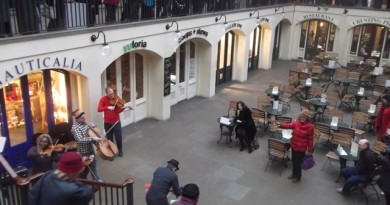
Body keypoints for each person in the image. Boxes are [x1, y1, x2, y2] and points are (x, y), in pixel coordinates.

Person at [28, 152, 94, 205]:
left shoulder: (46, 176)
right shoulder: (76, 191)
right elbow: (87, 193)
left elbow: (32, 196)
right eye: (79, 170)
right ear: (73, 172)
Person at [278, 109, 314, 183]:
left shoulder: (310, 127)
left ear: (307, 118)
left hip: (301, 149)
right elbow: (289, 125)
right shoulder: (297, 123)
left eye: (303, 117)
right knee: (293, 161)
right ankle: (293, 173)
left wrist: (310, 150)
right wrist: (280, 125)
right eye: (301, 116)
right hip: (294, 145)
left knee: (298, 163)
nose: (301, 118)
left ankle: (298, 176)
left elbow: (310, 139)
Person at [97, 87, 132, 157]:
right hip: (107, 123)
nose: (112, 95)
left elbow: (117, 111)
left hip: (116, 122)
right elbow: (99, 109)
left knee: (118, 137)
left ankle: (120, 150)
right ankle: (112, 152)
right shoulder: (103, 99)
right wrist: (107, 107)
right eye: (110, 94)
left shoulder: (117, 98)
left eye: (113, 93)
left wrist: (123, 108)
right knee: (109, 139)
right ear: (106, 93)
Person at [71, 109, 102, 181]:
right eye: (82, 118)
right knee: (85, 167)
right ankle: (81, 180)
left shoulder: (84, 122)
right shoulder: (75, 128)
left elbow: (93, 127)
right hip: (83, 151)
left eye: (84, 117)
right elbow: (80, 140)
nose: (84, 119)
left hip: (90, 148)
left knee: (93, 164)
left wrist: (93, 126)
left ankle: (96, 180)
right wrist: (93, 138)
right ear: (77, 119)